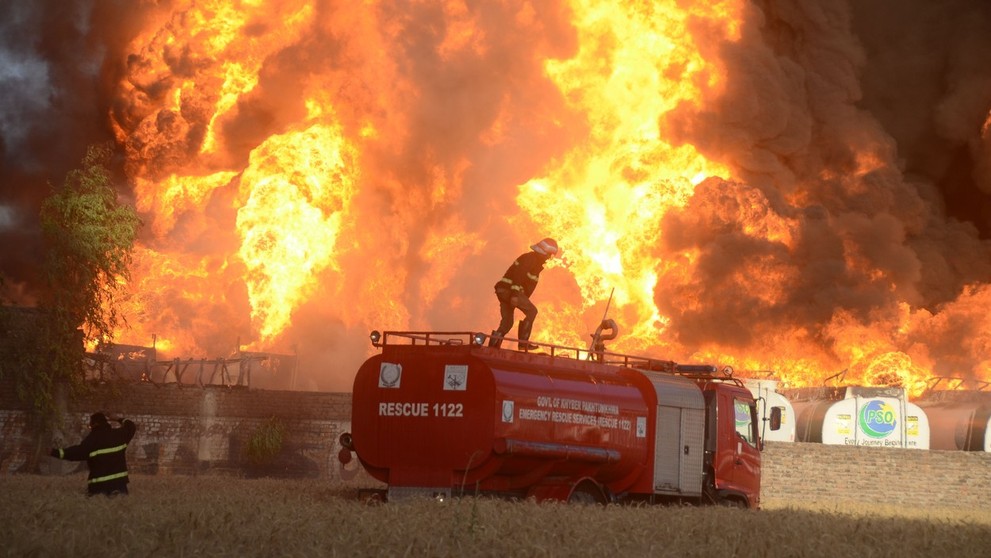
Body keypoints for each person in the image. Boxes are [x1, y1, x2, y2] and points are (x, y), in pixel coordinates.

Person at [489, 237, 559, 350]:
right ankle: (523, 343)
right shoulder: (530, 259)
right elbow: (518, 275)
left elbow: (525, 285)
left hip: (504, 291)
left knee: (507, 322)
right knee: (532, 311)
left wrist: (519, 296)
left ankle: (493, 346)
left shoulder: (534, 262)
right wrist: (515, 295)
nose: (549, 258)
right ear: (544, 252)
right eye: (549, 255)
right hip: (509, 291)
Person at [50, 412, 137, 496]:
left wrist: (54, 452)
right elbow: (131, 426)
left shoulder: (92, 440)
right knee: (119, 507)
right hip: (120, 485)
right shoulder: (119, 435)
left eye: (90, 425)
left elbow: (75, 453)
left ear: (95, 424)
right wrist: (117, 418)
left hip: (98, 488)